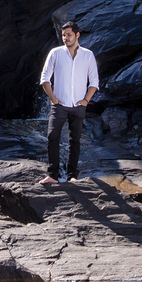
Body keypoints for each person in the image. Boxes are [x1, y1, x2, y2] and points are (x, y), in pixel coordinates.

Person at [39, 20, 99, 185]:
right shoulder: (55, 53)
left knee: (75, 141)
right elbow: (45, 78)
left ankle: (72, 176)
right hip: (59, 105)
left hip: (78, 106)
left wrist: (86, 100)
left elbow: (94, 81)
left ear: (77, 35)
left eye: (69, 35)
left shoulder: (88, 55)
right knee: (52, 137)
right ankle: (53, 175)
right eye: (63, 35)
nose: (66, 38)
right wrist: (52, 98)